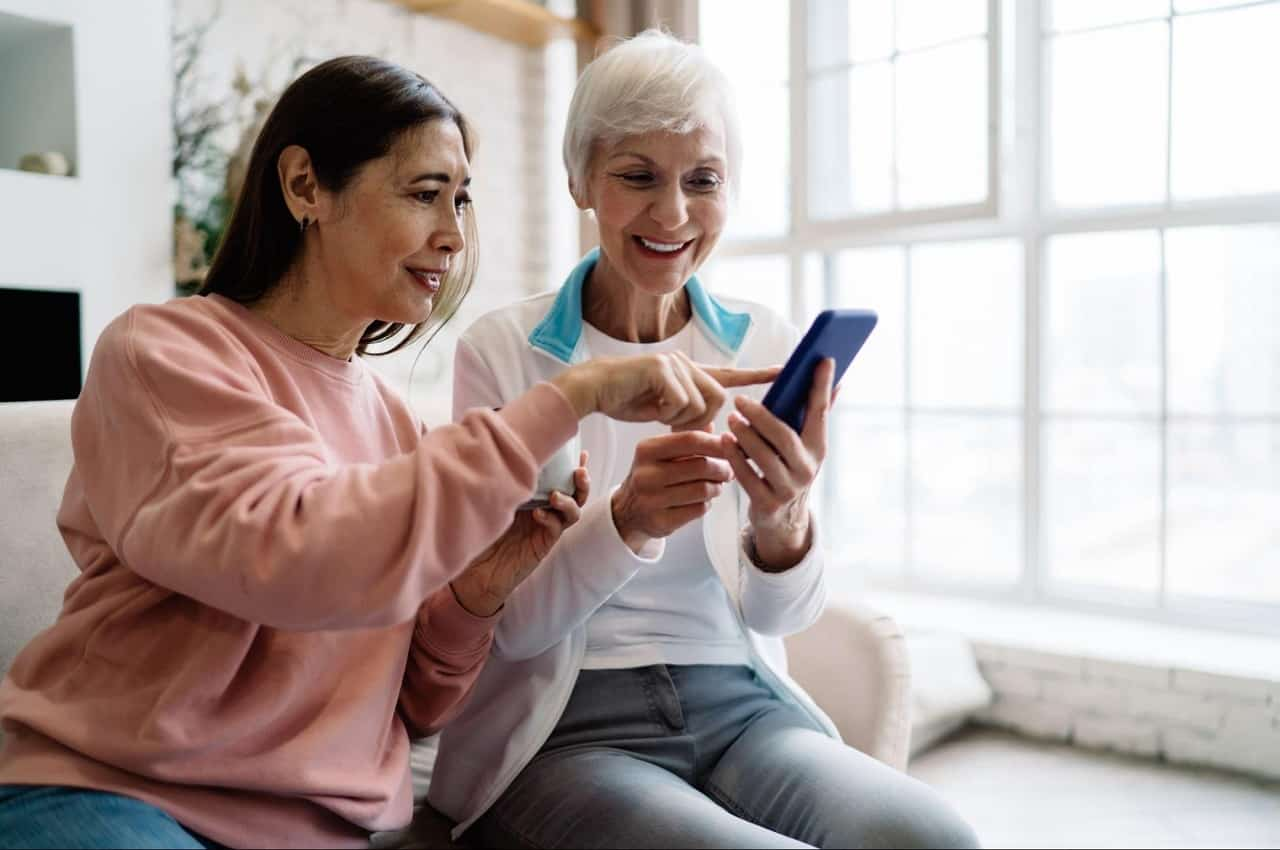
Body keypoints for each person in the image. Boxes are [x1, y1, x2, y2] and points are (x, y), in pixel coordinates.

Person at [0, 55, 775, 850]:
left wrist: (483, 586)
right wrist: (572, 396)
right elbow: (294, 553)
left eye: (462, 200)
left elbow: (410, 705)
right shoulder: (163, 353)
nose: (453, 234)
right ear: (305, 187)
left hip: (317, 829)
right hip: (115, 793)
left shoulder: (395, 429)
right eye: (425, 194)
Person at [430, 32, 981, 849]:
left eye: (703, 180)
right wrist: (626, 524)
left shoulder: (765, 343)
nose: (674, 213)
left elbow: (781, 612)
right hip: (565, 731)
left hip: (741, 706)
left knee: (934, 838)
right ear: (581, 180)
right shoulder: (504, 352)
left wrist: (783, 523)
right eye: (637, 176)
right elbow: (507, 626)